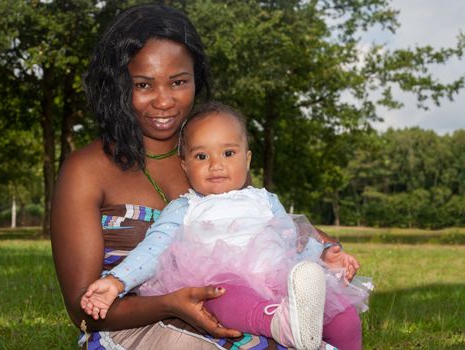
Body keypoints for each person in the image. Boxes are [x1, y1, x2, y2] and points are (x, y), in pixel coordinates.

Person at [51, 3, 364, 350]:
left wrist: (327, 252)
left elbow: (276, 229)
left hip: (239, 316)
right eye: (143, 84)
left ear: (196, 80)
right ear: (118, 85)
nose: (164, 101)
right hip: (138, 331)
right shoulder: (86, 169)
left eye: (178, 82)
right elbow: (83, 310)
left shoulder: (212, 156)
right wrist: (169, 303)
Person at [80, 102, 372, 350]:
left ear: (247, 159)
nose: (216, 165)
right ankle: (281, 324)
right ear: (185, 165)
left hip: (279, 282)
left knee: (344, 315)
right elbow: (153, 249)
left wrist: (324, 254)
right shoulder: (185, 207)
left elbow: (291, 239)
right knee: (222, 294)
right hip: (226, 284)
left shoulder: (265, 200)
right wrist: (116, 281)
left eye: (228, 153)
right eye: (201, 156)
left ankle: (328, 336)